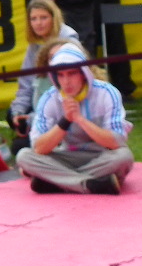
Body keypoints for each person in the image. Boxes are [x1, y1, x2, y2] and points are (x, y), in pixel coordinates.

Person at [15, 43, 134, 194]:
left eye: (71, 74)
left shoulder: (107, 93)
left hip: (101, 156)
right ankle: (90, 184)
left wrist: (79, 119)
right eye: (61, 75)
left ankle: (57, 182)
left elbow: (117, 142)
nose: (66, 82)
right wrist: (65, 120)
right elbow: (39, 148)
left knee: (124, 156)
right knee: (24, 156)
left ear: (84, 74)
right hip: (66, 157)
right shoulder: (49, 98)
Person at [9, 0, 80, 155]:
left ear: (54, 18)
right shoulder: (34, 45)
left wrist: (32, 118)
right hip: (40, 102)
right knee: (12, 116)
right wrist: (18, 113)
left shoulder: (68, 41)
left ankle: (53, 138)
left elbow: (66, 90)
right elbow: (25, 84)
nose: (38, 23)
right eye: (33, 19)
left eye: (43, 18)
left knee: (21, 148)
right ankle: (34, 134)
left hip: (64, 104)